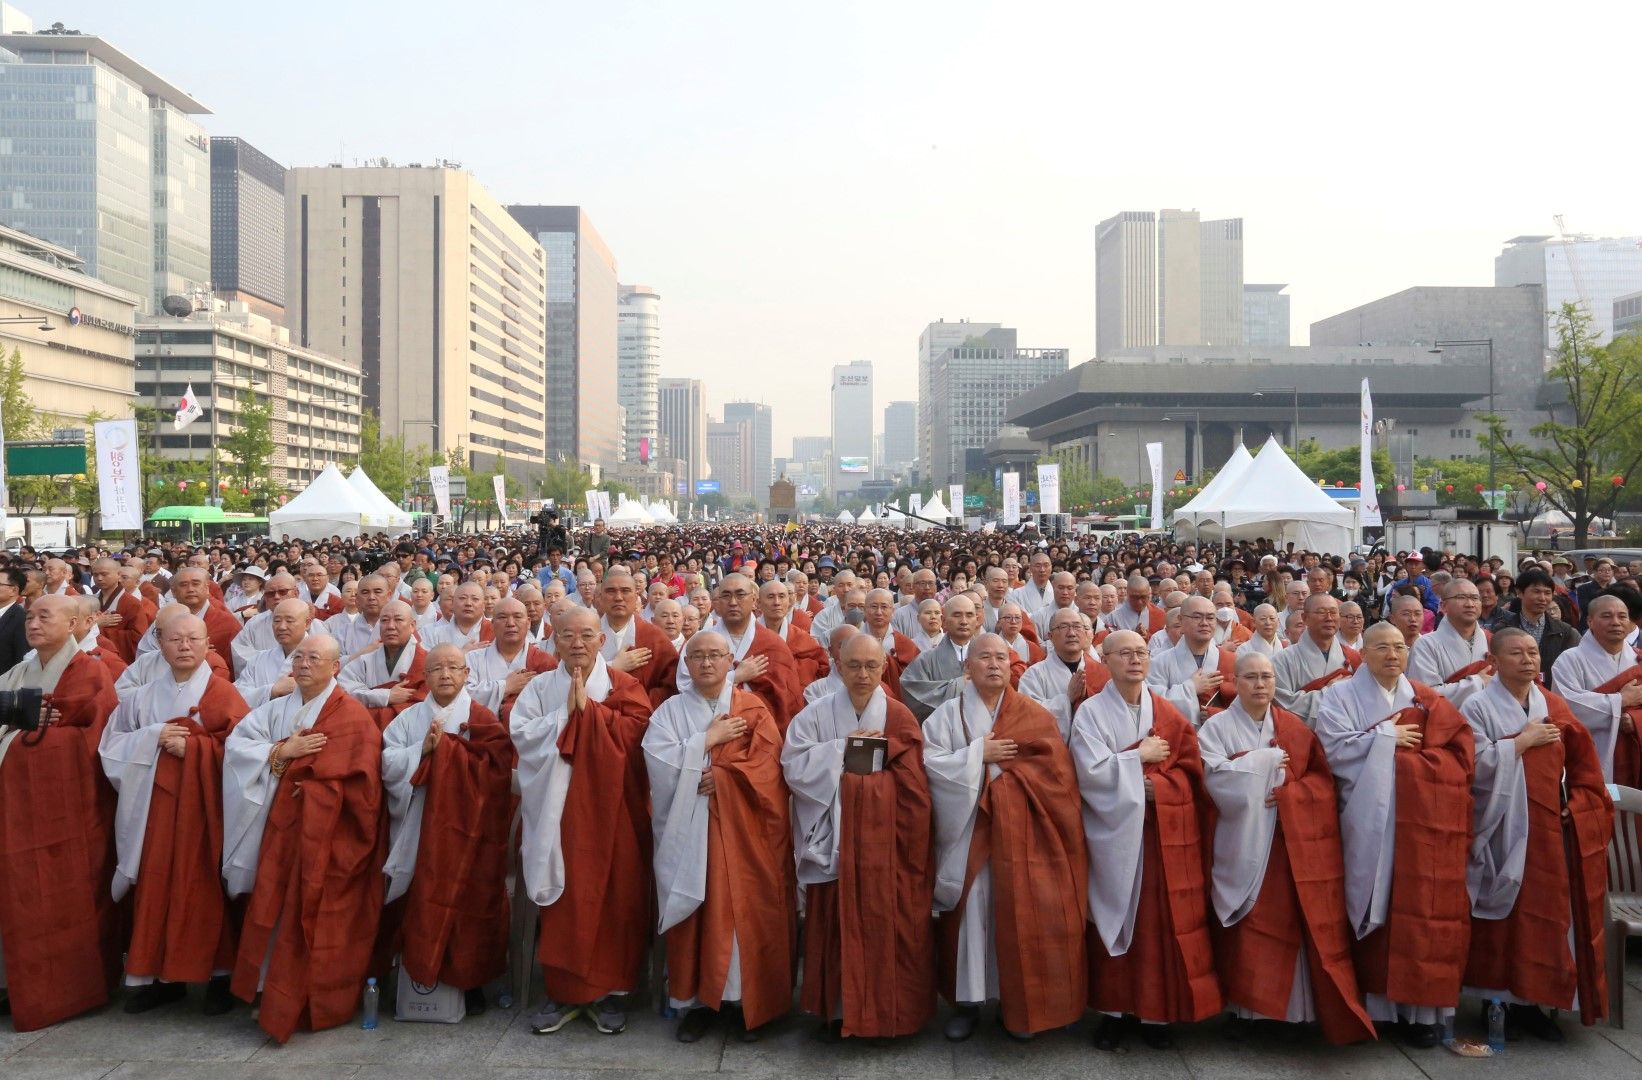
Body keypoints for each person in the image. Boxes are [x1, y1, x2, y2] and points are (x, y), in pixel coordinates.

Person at [1197, 652, 1374, 1044]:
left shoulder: (1294, 727)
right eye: (1251, 678)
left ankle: (1292, 1013)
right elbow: (1211, 777)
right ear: (1235, 682)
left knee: (1288, 924)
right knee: (1250, 927)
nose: (1260, 685)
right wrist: (1263, 763)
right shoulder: (1216, 728)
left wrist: (1293, 795)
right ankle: (1247, 1011)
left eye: (1267, 677)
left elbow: (1321, 783)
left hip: (1288, 843)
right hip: (1241, 840)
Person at [1313, 622, 1474, 1048]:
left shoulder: (1426, 697)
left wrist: (1400, 755)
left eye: (1400, 647)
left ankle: (1419, 1013)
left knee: (1418, 910)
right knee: (1373, 907)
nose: (1392, 655)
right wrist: (1387, 738)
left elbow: (1458, 753)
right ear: (1362, 653)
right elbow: (1331, 750)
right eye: (1382, 647)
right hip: (1368, 819)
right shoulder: (1339, 695)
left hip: (1421, 823)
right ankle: (1375, 1007)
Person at [923, 633, 1087, 1042]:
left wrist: (1003, 780)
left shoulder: (1032, 713)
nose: (994, 665)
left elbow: (1056, 776)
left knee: (1020, 913)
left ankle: (1018, 1003)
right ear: (968, 666)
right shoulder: (945, 716)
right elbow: (929, 765)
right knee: (972, 913)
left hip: (1024, 835)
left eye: (1001, 658)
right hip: (969, 833)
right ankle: (969, 1003)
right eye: (984, 658)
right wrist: (978, 755)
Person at [222, 634, 384, 1042]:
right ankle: (268, 990)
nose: (305, 664)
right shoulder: (276, 709)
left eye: (315, 658)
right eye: (299, 657)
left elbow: (363, 788)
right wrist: (282, 751)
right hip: (275, 833)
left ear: (335, 668)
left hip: (324, 841)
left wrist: (313, 790)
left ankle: (313, 999)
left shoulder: (352, 718)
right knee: (273, 912)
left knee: (319, 920)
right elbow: (238, 745)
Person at [781, 634, 934, 1041]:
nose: (862, 674)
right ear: (838, 665)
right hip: (835, 841)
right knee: (834, 921)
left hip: (886, 846)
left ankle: (891, 1016)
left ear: (884, 666)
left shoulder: (900, 717)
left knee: (890, 922)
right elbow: (793, 766)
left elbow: (915, 789)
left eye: (871, 665)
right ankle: (836, 1012)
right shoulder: (814, 715)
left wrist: (860, 784)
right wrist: (843, 750)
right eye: (853, 666)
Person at [1461, 627, 1612, 1040]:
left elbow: (1584, 764)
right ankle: (1496, 1003)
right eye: (1516, 653)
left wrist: (1578, 805)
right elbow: (1470, 765)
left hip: (1546, 828)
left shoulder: (1554, 704)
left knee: (1544, 916)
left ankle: (1535, 1004)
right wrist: (1520, 743)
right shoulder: (1477, 706)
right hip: (1500, 826)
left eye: (1532, 652)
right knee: (1501, 920)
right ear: (1494, 661)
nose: (1528, 660)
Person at [1073, 629, 1220, 1050]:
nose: (1135, 660)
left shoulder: (1168, 713)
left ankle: (1156, 1011)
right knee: (1114, 919)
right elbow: (1088, 772)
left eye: (1141, 653)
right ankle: (1114, 1013)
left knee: (1157, 922)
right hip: (1113, 835)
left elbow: (1191, 770)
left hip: (1158, 835)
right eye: (1125, 654)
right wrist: (1137, 759)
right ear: (1106, 660)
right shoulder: (1090, 713)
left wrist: (1165, 789)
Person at [511, 606, 655, 1035]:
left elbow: (639, 735)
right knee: (565, 896)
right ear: (554, 642)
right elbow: (521, 734)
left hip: (615, 810)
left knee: (616, 894)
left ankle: (612, 992)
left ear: (602, 641)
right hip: (557, 810)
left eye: (586, 635)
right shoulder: (539, 688)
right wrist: (567, 716)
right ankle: (562, 991)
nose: (577, 644)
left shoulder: (623, 685)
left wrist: (591, 714)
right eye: (568, 636)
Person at [646, 631, 794, 1043]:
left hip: (744, 832)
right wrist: (704, 745)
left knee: (746, 909)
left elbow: (769, 768)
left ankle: (751, 1004)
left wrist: (723, 777)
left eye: (715, 655)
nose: (707, 663)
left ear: (731, 660)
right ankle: (700, 1003)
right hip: (691, 829)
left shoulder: (753, 708)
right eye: (698, 656)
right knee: (699, 912)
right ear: (686, 664)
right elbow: (656, 763)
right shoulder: (669, 712)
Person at [98, 613, 249, 1015]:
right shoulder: (141, 698)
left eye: (193, 639)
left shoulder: (225, 694)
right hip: (154, 808)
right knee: (156, 885)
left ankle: (219, 975)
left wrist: (198, 749)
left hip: (205, 811)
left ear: (207, 646)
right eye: (175, 639)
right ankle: (162, 979)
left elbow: (245, 754)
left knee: (204, 884)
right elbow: (110, 747)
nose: (184, 646)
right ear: (159, 644)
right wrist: (153, 737)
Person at [0, 594, 121, 1030]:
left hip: (66, 807)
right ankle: (15, 984)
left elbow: (94, 735)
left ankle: (70, 990)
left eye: (44, 616)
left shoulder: (89, 669)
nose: (32, 623)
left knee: (66, 891)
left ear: (74, 624)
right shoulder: (21, 669)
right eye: (29, 616)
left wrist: (22, 732)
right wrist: (20, 724)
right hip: (18, 803)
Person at [380, 644, 512, 1017]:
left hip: (470, 831)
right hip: (419, 827)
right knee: (417, 898)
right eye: (437, 668)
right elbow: (388, 761)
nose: (446, 675)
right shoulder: (407, 720)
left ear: (467, 674)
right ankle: (418, 976)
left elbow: (497, 769)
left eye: (454, 667)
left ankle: (469, 982)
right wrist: (420, 752)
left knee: (471, 904)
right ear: (425, 676)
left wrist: (450, 752)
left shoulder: (482, 717)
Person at [682, 573, 804, 732]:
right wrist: (735, 677)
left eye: (740, 595)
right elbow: (684, 688)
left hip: (761, 731)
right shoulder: (698, 643)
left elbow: (786, 702)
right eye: (726, 596)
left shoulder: (774, 645)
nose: (733, 602)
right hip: (707, 729)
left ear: (754, 600)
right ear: (716, 603)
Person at [1550, 592, 1642, 785]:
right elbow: (1565, 709)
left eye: (1622, 616)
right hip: (1589, 753)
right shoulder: (1570, 659)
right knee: (1600, 808)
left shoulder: (1638, 659)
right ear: (1590, 621)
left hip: (1634, 753)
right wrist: (1620, 701)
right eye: (1606, 616)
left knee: (1632, 808)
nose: (1616, 622)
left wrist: (1636, 719)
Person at [464, 596, 556, 725]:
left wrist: (510, 710)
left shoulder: (545, 662)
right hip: (481, 737)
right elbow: (462, 698)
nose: (510, 623)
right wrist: (505, 686)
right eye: (502, 617)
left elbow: (552, 707)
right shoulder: (472, 659)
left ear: (528, 622)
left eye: (517, 617)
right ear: (492, 624)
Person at [339, 599, 428, 729]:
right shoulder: (365, 661)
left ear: (412, 625)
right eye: (385, 620)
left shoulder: (427, 661)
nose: (390, 626)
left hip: (410, 731)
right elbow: (343, 691)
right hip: (366, 730)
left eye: (398, 620)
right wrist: (385, 696)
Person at [1147, 595, 1235, 725]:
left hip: (1223, 739)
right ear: (1181, 620)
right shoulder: (1159, 662)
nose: (1204, 623)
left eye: (1210, 617)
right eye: (1197, 617)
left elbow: (1247, 705)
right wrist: (1191, 688)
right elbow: (1152, 704)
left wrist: (1217, 715)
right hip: (1178, 739)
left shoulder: (1231, 660)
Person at [1271, 594, 1358, 726]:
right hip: (1304, 739)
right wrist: (1330, 693)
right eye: (1321, 612)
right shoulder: (1282, 660)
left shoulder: (1353, 657)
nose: (1329, 618)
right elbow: (1282, 706)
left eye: (1334, 612)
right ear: (1305, 618)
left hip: (1346, 736)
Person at [600, 567, 681, 707]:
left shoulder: (654, 637)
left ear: (636, 596)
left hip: (641, 719)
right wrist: (612, 667)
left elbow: (670, 685)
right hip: (594, 716)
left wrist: (641, 706)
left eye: (625, 591)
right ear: (601, 597)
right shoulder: (585, 635)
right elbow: (572, 678)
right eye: (611, 591)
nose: (618, 597)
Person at [1409, 579, 1493, 707]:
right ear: (1443, 606)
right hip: (1447, 723)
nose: (1470, 604)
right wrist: (1477, 683)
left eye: (1475, 598)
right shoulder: (1425, 645)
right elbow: (1425, 696)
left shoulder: (1491, 640)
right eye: (1461, 597)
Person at [898, 594, 981, 722]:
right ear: (944, 621)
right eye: (957, 615)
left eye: (969, 615)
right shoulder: (925, 659)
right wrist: (959, 685)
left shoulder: (988, 657)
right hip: (940, 732)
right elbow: (910, 692)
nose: (964, 621)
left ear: (977, 620)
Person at [1494, 568, 1581, 683]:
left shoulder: (1566, 633)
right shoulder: (1502, 630)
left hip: (1553, 694)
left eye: (1547, 593)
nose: (1542, 598)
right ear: (1519, 592)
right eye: (1536, 592)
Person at [234, 598, 314, 708]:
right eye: (276, 621)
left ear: (307, 623)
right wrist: (272, 691)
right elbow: (236, 695)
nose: (281, 627)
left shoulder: (320, 659)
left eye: (289, 621)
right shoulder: (258, 659)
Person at [858, 587, 920, 700]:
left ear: (893, 611)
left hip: (896, 702)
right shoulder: (853, 641)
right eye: (873, 606)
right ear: (864, 610)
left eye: (884, 607)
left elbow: (916, 681)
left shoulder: (905, 644)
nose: (879, 612)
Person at [91, 554, 153, 664]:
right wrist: (96, 624)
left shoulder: (131, 603)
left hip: (118, 661)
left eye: (104, 574)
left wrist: (98, 629)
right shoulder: (91, 600)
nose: (99, 578)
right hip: (91, 658)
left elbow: (138, 638)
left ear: (118, 575)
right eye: (95, 575)